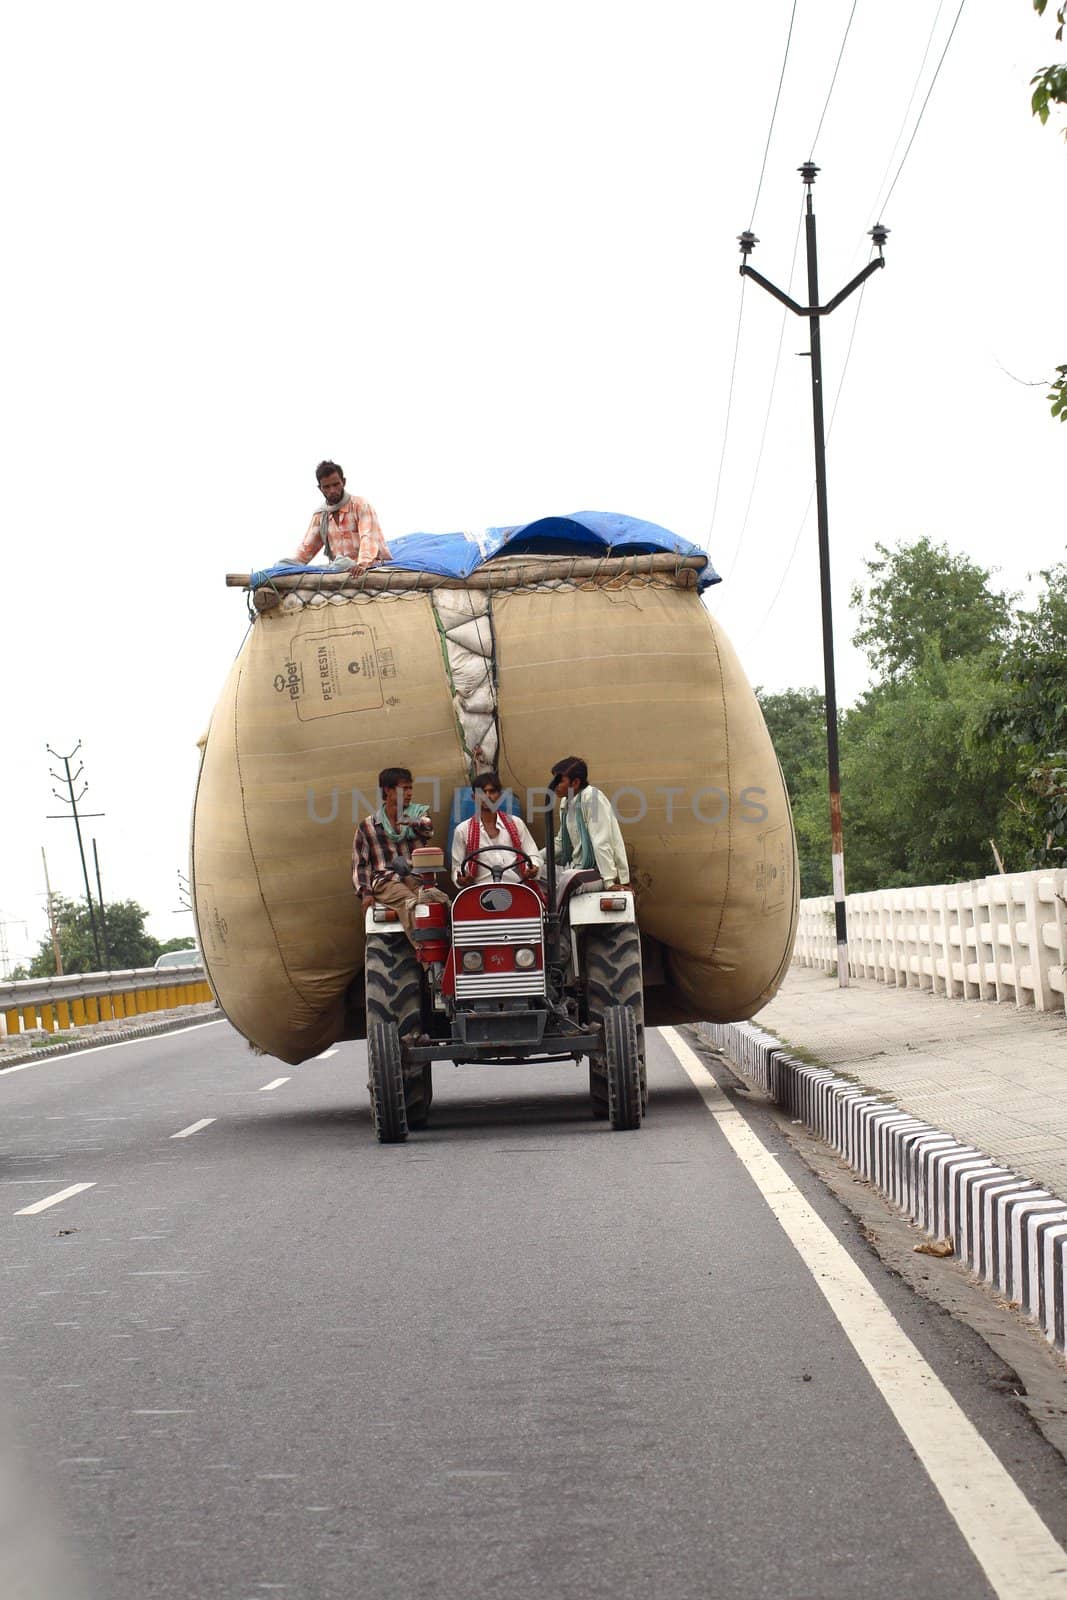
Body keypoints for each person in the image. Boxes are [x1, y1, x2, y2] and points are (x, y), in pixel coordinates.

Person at [352, 766, 449, 936]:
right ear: (388, 791)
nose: (410, 793)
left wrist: (412, 821)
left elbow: (428, 828)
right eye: (404, 788)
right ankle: (429, 958)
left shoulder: (418, 815)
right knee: (410, 903)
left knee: (436, 903)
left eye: (411, 788)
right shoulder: (368, 826)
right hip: (386, 880)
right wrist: (366, 893)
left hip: (415, 878)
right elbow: (360, 865)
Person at [290, 460, 391, 572]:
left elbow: (368, 538)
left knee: (341, 563)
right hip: (339, 568)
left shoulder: (360, 505)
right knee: (284, 565)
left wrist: (362, 565)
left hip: (370, 565)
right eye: (327, 487)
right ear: (320, 488)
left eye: (336, 484)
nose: (332, 490)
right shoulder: (321, 516)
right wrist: (287, 566)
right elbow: (306, 549)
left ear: (343, 482)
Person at [550, 756, 630, 888]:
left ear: (575, 783)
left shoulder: (592, 798)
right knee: (532, 873)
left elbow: (601, 842)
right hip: (574, 868)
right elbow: (560, 842)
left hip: (596, 872)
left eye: (559, 781)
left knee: (568, 879)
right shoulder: (566, 803)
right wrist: (533, 860)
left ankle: (555, 909)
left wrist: (609, 881)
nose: (554, 786)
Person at [452, 773, 543, 887]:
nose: (487, 796)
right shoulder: (462, 830)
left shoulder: (516, 823)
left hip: (516, 888)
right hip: (479, 891)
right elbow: (457, 867)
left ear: (500, 796)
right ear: (474, 797)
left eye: (492, 791)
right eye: (482, 792)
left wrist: (533, 867)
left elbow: (533, 855)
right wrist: (461, 878)